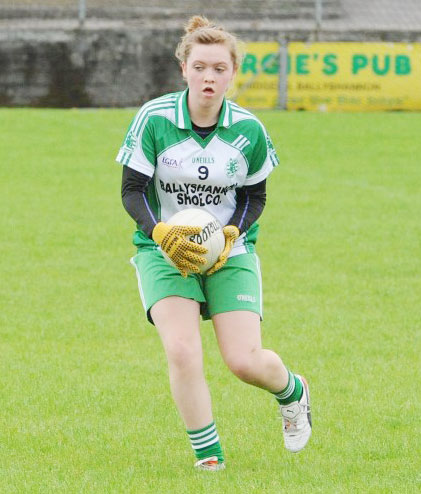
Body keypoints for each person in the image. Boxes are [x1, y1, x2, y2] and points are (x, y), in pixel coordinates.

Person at [116, 15, 311, 471]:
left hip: (231, 252)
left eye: (219, 69)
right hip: (163, 250)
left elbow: (255, 196)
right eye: (200, 67)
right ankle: (210, 460)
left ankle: (293, 393)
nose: (209, 77)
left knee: (244, 362)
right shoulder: (155, 119)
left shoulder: (249, 131)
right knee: (182, 350)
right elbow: (130, 190)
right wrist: (159, 233)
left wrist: (229, 234)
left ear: (232, 73)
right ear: (183, 68)